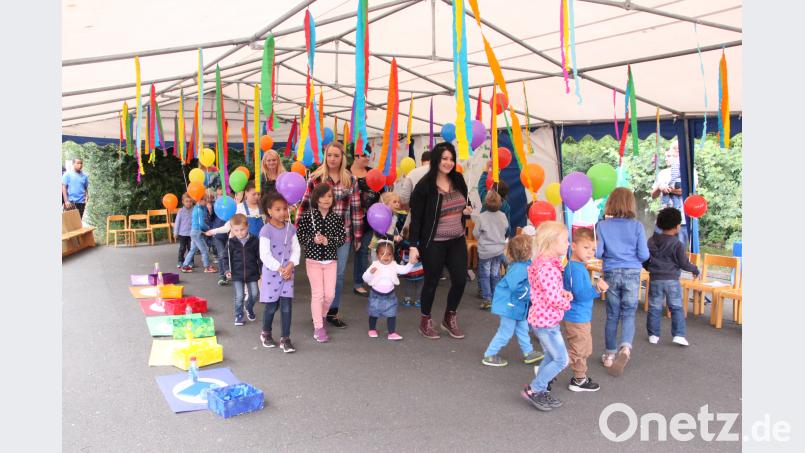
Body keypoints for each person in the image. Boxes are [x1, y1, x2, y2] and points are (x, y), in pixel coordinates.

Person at [408, 142, 472, 339]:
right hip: (434, 242)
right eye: (444, 158)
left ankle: (449, 316)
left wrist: (467, 211)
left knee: (460, 280)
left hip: (457, 239)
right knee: (432, 282)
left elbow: (465, 202)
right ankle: (425, 320)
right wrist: (413, 246)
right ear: (437, 159)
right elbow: (416, 219)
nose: (449, 162)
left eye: (451, 159)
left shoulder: (459, 179)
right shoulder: (424, 187)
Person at [298, 141, 363, 328]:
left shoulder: (351, 180)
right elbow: (305, 205)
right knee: (319, 276)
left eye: (336, 155)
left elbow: (356, 209)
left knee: (338, 275)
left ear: (343, 158)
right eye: (329, 155)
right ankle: (318, 311)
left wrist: (358, 236)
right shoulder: (315, 179)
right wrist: (300, 233)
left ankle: (332, 312)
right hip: (318, 235)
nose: (332, 159)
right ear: (325, 156)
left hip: (342, 237)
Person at [595, 188, 650, 377]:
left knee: (612, 315)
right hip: (633, 273)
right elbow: (644, 255)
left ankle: (609, 355)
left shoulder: (602, 226)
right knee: (628, 313)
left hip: (611, 272)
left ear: (611, 203)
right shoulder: (637, 227)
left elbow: (598, 252)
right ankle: (625, 348)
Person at [521, 221, 573, 412]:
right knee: (561, 360)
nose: (568, 244)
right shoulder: (549, 268)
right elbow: (552, 297)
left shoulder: (544, 263)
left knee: (551, 356)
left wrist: (562, 293)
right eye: (565, 241)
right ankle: (535, 389)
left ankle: (539, 388)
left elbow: (548, 291)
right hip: (547, 322)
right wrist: (566, 302)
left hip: (543, 320)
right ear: (551, 243)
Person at [481, 235, 543, 367]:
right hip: (510, 306)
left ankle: (529, 352)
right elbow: (517, 288)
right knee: (506, 332)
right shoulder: (520, 268)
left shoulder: (522, 265)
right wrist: (531, 295)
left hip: (516, 305)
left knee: (523, 328)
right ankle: (489, 354)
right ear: (527, 252)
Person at [644, 207, 700, 347]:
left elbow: (644, 258)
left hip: (655, 279)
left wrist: (649, 268)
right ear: (677, 227)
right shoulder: (677, 244)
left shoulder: (651, 241)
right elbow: (683, 263)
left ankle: (653, 335)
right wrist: (695, 269)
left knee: (654, 307)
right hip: (672, 280)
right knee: (676, 307)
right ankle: (679, 335)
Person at [297, 184, 347, 343]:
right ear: (316, 198)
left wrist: (328, 241)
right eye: (323, 196)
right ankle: (319, 327)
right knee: (318, 294)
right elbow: (299, 236)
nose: (326, 199)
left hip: (331, 261)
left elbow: (341, 240)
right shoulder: (307, 216)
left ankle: (321, 316)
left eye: (330, 196)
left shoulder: (337, 219)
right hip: (313, 260)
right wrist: (312, 239)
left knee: (330, 294)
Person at [563, 228, 608, 392]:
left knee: (584, 349)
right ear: (573, 246)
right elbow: (581, 295)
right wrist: (598, 289)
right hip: (576, 317)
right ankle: (547, 373)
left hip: (581, 315)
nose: (590, 252)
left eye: (593, 249)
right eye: (586, 247)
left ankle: (579, 379)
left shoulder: (578, 266)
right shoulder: (575, 268)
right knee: (577, 351)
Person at [259, 192, 301, 353]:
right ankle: (266, 333)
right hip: (272, 273)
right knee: (270, 307)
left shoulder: (291, 229)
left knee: (286, 308)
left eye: (285, 208)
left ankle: (285, 338)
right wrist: (280, 268)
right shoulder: (266, 230)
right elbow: (265, 255)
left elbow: (296, 249)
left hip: (288, 273)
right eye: (278, 209)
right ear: (269, 211)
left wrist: (291, 265)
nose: (283, 212)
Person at [361, 240, 416, 341]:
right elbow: (365, 278)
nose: (386, 257)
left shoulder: (394, 265)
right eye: (383, 254)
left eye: (389, 254)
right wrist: (370, 273)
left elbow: (404, 270)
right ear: (377, 255)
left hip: (390, 295)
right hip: (376, 295)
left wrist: (411, 264)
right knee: (374, 313)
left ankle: (392, 332)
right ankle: (372, 329)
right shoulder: (375, 265)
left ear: (393, 255)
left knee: (392, 314)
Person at [350, 143, 384, 297]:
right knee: (339, 252)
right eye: (365, 155)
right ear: (356, 156)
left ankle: (358, 282)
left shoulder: (373, 173)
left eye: (369, 154)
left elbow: (382, 195)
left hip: (368, 222)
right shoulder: (345, 173)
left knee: (362, 251)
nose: (368, 158)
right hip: (347, 220)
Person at [651, 142, 695, 247]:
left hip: (682, 221)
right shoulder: (662, 173)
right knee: (657, 249)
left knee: (678, 251)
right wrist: (659, 187)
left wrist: (669, 190)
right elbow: (653, 195)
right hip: (663, 220)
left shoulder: (690, 172)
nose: (667, 158)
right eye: (666, 156)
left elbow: (687, 191)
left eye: (671, 156)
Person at [473, 190, 509, 310]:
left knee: (484, 275)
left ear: (485, 203)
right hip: (498, 250)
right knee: (495, 274)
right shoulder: (503, 216)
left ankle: (488, 299)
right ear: (500, 203)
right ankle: (496, 298)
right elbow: (506, 230)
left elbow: (475, 233)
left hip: (485, 252)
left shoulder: (481, 217)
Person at [224, 214, 261, 326]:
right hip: (237, 274)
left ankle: (248, 307)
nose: (240, 233)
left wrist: (262, 271)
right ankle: (239, 315)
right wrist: (226, 270)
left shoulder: (254, 239)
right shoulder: (231, 242)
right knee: (239, 296)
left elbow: (260, 257)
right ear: (232, 230)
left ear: (247, 227)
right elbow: (225, 257)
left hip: (252, 272)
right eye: (236, 230)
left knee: (254, 294)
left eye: (242, 229)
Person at [180, 195, 216, 273]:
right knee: (205, 249)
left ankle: (185, 266)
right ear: (200, 201)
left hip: (193, 232)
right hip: (197, 232)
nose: (206, 202)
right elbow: (201, 224)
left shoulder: (196, 208)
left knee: (192, 250)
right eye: (205, 200)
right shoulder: (199, 209)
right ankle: (207, 267)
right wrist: (209, 228)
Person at [206, 189, 230, 286]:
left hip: (229, 234)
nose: (220, 197)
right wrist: (210, 211)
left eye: (222, 194)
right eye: (218, 195)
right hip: (218, 235)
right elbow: (210, 219)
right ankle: (222, 276)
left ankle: (228, 272)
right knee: (221, 255)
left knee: (229, 254)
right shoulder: (215, 206)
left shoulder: (231, 205)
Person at [173, 193, 194, 268]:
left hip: (191, 233)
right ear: (183, 202)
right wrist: (175, 232)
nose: (188, 203)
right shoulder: (180, 211)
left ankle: (191, 261)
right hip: (182, 233)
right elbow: (177, 222)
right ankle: (180, 261)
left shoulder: (194, 210)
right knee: (182, 248)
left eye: (190, 201)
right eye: (187, 201)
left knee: (191, 248)